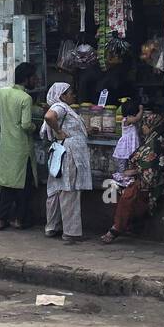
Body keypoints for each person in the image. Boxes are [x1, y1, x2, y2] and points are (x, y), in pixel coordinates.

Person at [0, 61, 40, 230]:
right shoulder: (26, 98)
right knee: (24, 185)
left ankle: (0, 220)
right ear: (27, 79)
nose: (36, 80)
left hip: (7, 147)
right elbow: (26, 124)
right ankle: (19, 220)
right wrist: (36, 127)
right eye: (34, 77)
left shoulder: (3, 92)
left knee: (7, 185)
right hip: (22, 148)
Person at [101, 108, 164, 244]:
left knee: (128, 195)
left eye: (145, 125)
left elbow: (149, 166)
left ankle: (116, 228)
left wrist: (133, 171)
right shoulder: (150, 140)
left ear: (152, 126)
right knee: (111, 189)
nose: (142, 128)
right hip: (142, 176)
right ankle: (125, 224)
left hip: (151, 181)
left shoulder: (156, 143)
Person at [41, 82, 92, 243]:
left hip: (61, 152)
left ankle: (52, 227)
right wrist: (59, 131)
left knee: (56, 190)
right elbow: (49, 117)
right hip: (69, 154)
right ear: (62, 95)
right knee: (69, 190)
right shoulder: (60, 107)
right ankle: (70, 232)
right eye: (70, 93)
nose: (73, 95)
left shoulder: (65, 108)